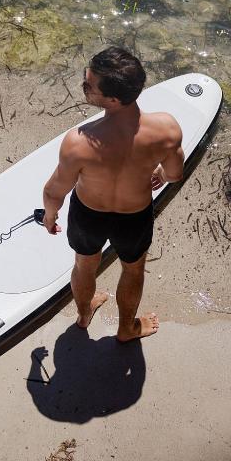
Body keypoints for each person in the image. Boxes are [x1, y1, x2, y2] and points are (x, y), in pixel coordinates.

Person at [42, 46, 184, 342]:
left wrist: (50, 215)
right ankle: (126, 329)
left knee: (84, 263)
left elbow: (55, 190)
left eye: (88, 86)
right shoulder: (167, 130)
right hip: (134, 217)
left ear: (113, 99)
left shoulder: (79, 142)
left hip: (88, 215)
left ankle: (83, 315)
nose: (84, 88)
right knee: (133, 270)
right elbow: (173, 174)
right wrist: (157, 173)